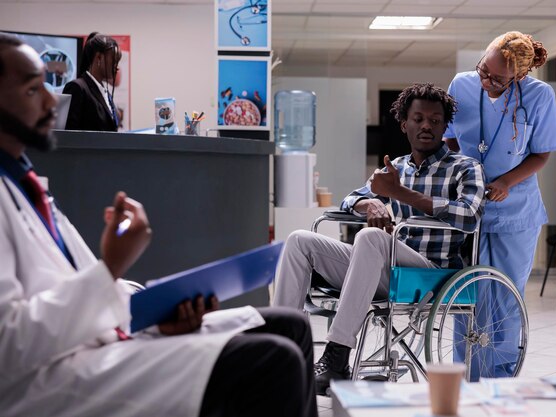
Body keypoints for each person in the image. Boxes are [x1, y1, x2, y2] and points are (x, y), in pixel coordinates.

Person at [0, 34, 317, 417]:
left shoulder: (24, 184)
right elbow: (9, 347)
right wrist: (109, 269)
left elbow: (73, 285)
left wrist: (155, 309)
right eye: (34, 90)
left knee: (292, 326)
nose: (52, 102)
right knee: (272, 359)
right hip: (52, 379)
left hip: (97, 335)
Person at [273, 83, 486, 395]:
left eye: (435, 120)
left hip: (431, 273)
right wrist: (370, 202)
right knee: (299, 240)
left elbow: (469, 216)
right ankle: (282, 353)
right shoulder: (394, 167)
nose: (426, 125)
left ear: (444, 126)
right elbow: (350, 199)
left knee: (372, 237)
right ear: (404, 124)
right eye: (418, 119)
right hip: (386, 267)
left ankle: (337, 357)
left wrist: (400, 194)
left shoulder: (466, 167)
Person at [443, 31, 556, 378]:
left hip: (516, 208)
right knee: (466, 293)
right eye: (483, 70)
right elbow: (450, 136)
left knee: (505, 295)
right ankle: (465, 373)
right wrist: (464, 174)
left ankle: (500, 376)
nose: (486, 81)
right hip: (469, 205)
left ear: (519, 76)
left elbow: (541, 153)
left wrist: (505, 182)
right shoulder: (462, 84)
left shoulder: (539, 95)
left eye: (497, 79)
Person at [62, 32, 120, 131]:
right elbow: (69, 137)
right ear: (99, 57)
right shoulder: (77, 88)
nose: (117, 67)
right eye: (114, 60)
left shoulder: (105, 93)